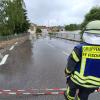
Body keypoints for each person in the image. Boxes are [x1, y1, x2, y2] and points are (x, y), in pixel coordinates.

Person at [64, 20, 100, 100]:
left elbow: (71, 64)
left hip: (77, 81)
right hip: (95, 84)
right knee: (84, 95)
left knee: (71, 89)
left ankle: (69, 98)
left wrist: (67, 72)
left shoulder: (79, 48)